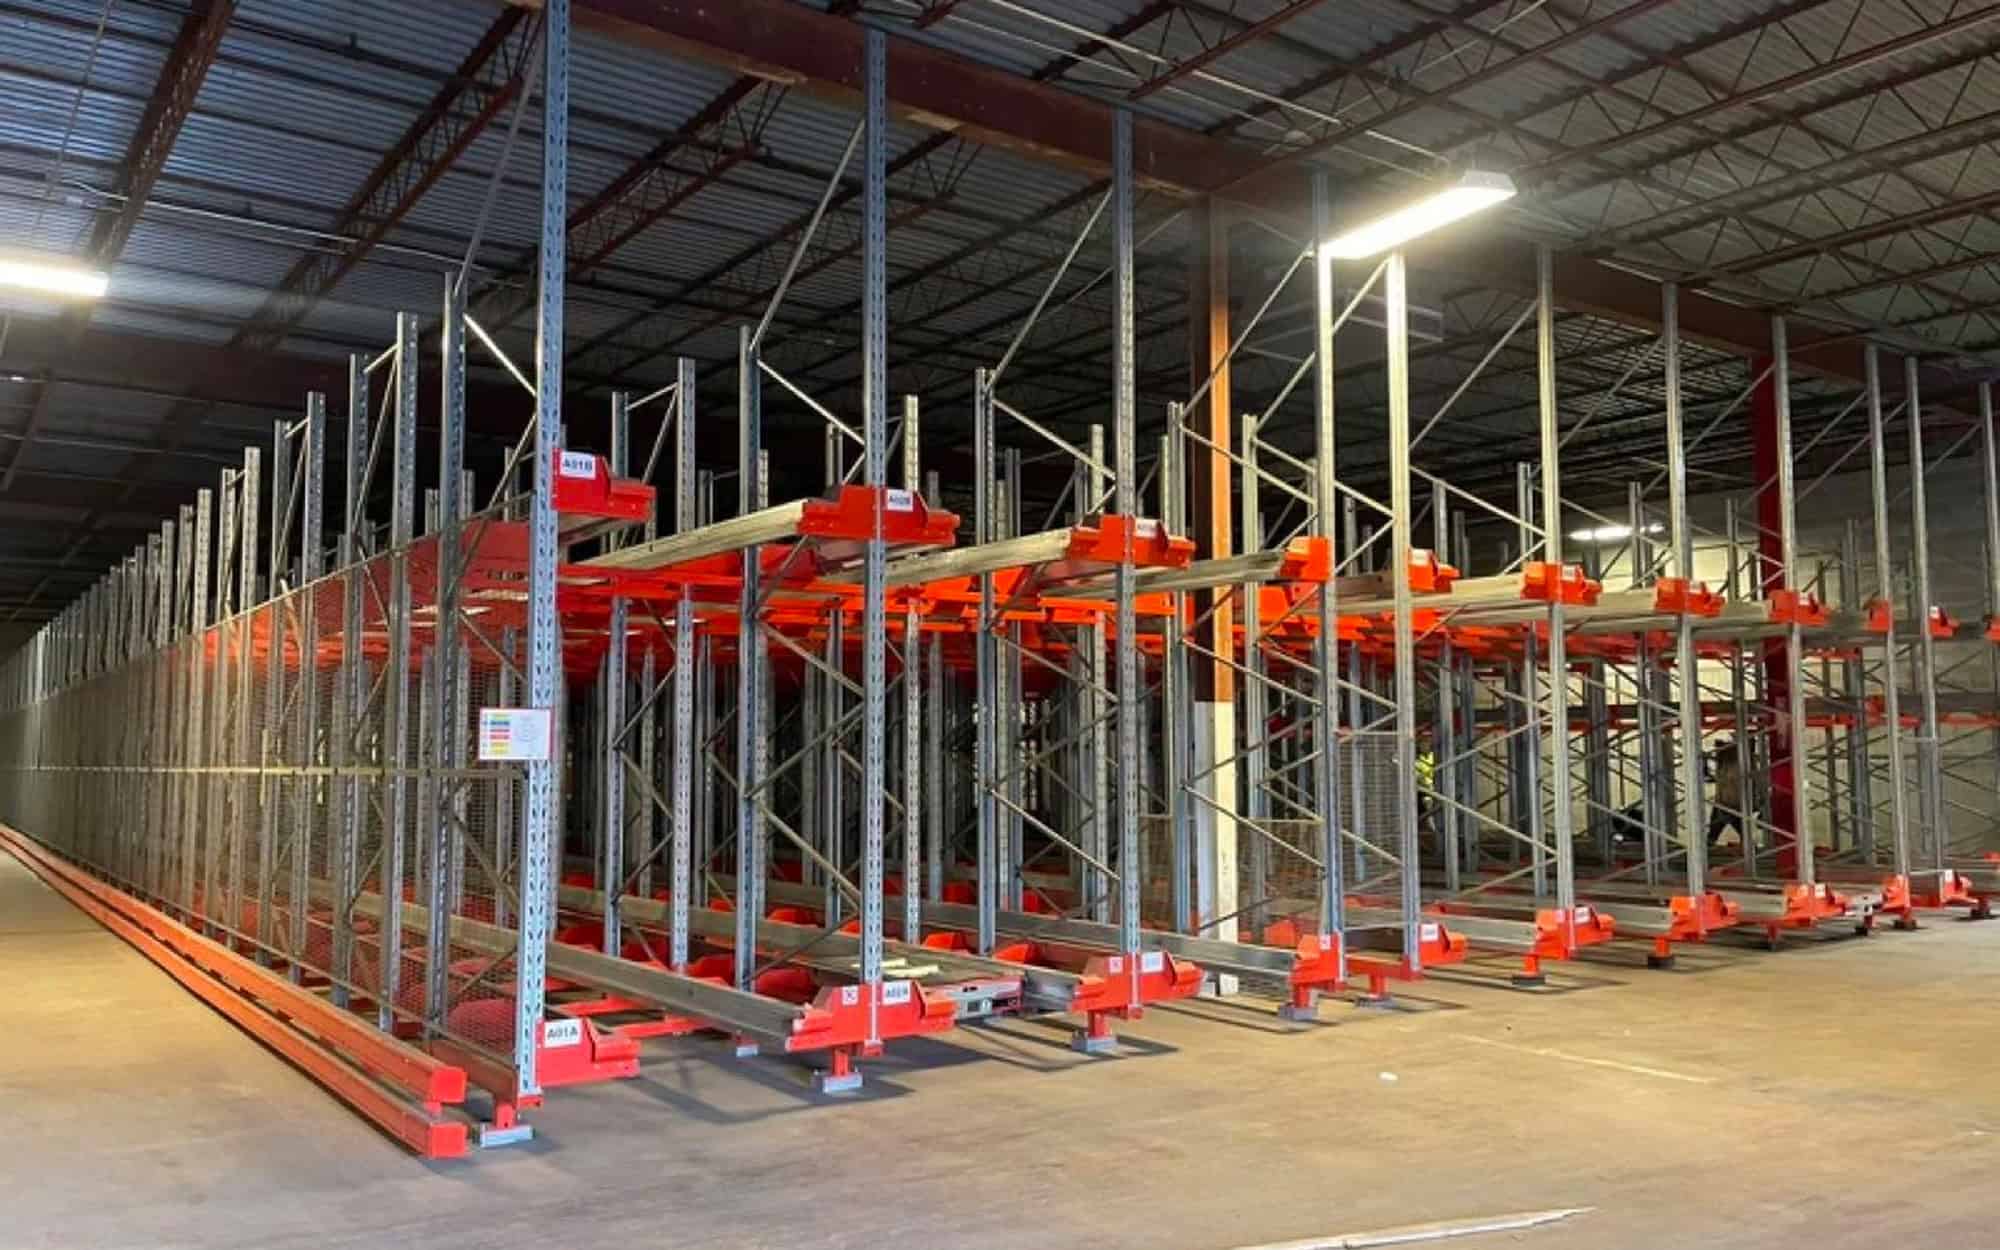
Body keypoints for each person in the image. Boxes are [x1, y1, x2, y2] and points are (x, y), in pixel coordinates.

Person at [1707, 737, 1744, 848]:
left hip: (1727, 803)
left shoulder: (1731, 764)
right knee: (1740, 828)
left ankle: (1709, 844)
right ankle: (1747, 844)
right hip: (1727, 802)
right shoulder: (1728, 764)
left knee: (1715, 830)